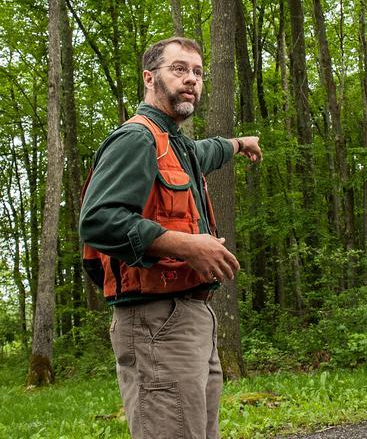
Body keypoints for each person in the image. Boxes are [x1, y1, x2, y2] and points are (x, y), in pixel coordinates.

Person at [79, 36, 262, 439]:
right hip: (155, 321)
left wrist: (239, 144)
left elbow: (209, 151)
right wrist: (185, 244)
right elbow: (98, 220)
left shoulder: (177, 144)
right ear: (149, 78)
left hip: (192, 316)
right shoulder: (136, 139)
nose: (191, 79)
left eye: (197, 72)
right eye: (179, 69)